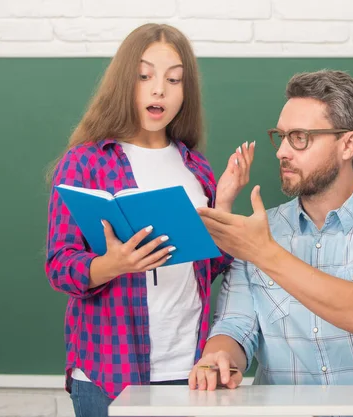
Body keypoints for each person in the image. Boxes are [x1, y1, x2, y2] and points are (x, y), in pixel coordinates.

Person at [45, 23, 254, 417]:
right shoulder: (86, 161)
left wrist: (223, 203)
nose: (159, 89)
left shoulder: (195, 168)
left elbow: (206, 269)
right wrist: (112, 265)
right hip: (109, 373)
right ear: (125, 83)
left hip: (190, 369)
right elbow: (59, 267)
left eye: (174, 79)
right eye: (145, 76)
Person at [189, 70, 353, 391]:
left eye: (300, 137)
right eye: (281, 137)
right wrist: (217, 359)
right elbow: (236, 326)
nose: (281, 152)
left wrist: (265, 253)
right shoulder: (261, 231)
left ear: (348, 144)